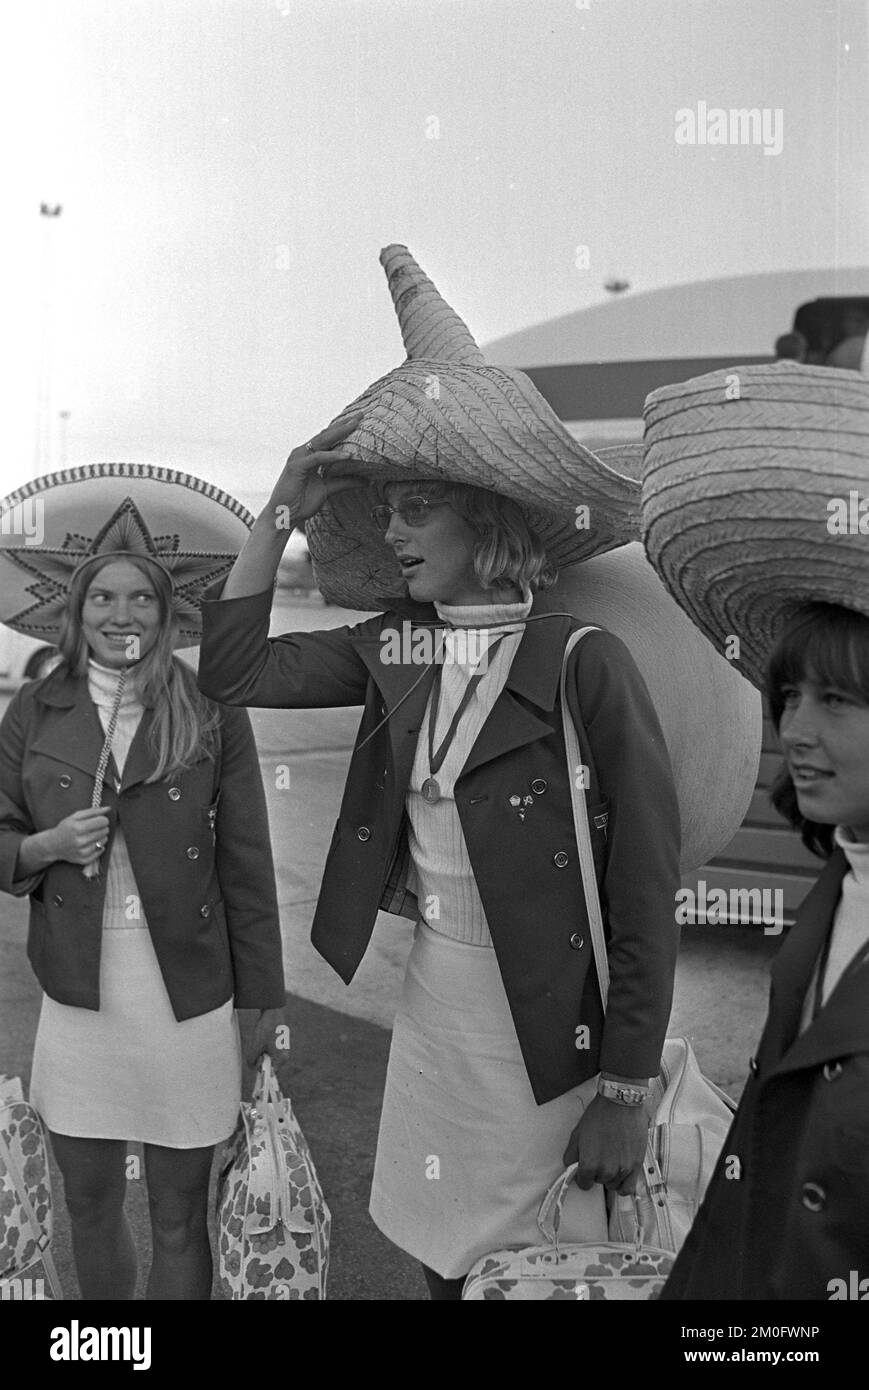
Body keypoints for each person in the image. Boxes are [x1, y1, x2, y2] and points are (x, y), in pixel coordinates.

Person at [197, 246, 681, 1299]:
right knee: (435, 1261)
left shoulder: (581, 665)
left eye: (417, 505)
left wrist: (627, 1085)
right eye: (389, 506)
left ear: (486, 514)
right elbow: (230, 670)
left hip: (554, 1037)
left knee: (538, 1268)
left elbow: (643, 888)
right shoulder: (391, 648)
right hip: (433, 1019)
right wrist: (283, 495)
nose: (391, 527)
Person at [0, 465, 287, 1301]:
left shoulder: (210, 708)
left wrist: (262, 1000)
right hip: (80, 998)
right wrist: (45, 844)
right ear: (74, 609)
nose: (120, 616)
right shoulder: (35, 711)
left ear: (169, 615)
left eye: (142, 600)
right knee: (87, 1206)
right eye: (102, 599)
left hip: (187, 1000)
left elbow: (247, 862)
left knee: (177, 1213)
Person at [641, 361, 869, 1300]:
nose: (795, 732)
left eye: (838, 702)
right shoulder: (839, 885)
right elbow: (757, 1168)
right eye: (790, 696)